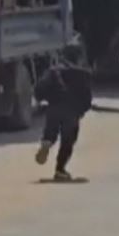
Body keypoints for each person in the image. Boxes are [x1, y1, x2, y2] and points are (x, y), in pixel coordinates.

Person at [33, 43, 93, 181]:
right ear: (78, 57)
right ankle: (60, 170)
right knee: (67, 141)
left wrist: (41, 98)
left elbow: (40, 88)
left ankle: (47, 141)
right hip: (72, 112)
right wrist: (82, 110)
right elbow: (87, 97)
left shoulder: (53, 71)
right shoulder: (83, 74)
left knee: (51, 131)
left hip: (53, 108)